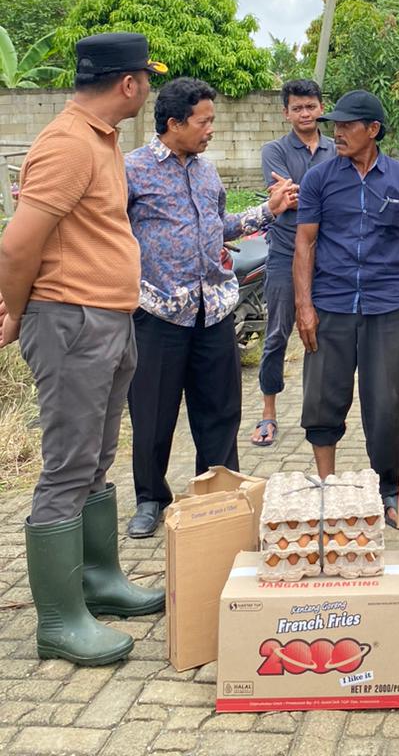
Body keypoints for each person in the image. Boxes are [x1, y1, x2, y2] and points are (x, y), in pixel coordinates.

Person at [0, 33, 166, 665]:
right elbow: (17, 246)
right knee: (68, 466)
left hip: (106, 319)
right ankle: (60, 620)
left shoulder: (102, 140)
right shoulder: (68, 143)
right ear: (128, 83)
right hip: (71, 321)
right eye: (146, 78)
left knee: (95, 460)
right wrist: (18, 312)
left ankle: (98, 583)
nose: (148, 88)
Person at [125, 77, 297, 538]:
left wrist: (269, 210)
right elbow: (110, 230)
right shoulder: (133, 170)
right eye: (203, 122)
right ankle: (150, 498)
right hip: (159, 312)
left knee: (220, 411)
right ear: (174, 123)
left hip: (214, 309)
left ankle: (219, 493)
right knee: (153, 413)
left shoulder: (206, 171)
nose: (211, 129)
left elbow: (221, 224)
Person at [294, 90, 399, 525]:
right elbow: (305, 242)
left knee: (386, 402)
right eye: (336, 126)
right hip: (331, 304)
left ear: (373, 130)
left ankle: (390, 489)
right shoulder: (320, 179)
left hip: (383, 307)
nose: (338, 133)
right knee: (323, 396)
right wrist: (304, 306)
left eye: (347, 125)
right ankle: (326, 485)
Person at [250, 79, 335, 447]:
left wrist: (303, 193)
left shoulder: (336, 148)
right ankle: (268, 412)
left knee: (327, 334)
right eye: (297, 108)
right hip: (285, 254)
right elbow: (283, 199)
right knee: (277, 334)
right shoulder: (274, 150)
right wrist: (320, 195)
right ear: (286, 113)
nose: (305, 113)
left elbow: (314, 195)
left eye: (310, 106)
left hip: (328, 256)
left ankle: (323, 410)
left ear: (321, 108)